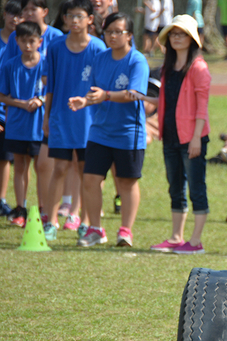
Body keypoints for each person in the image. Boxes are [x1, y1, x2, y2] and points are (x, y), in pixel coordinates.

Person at [68, 12, 149, 247]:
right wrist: (84, 101)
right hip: (100, 131)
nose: (112, 36)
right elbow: (95, 91)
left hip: (128, 132)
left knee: (126, 183)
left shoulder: (137, 61)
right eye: (108, 32)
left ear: (130, 35)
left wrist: (107, 96)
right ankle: (95, 229)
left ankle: (125, 231)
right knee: (91, 179)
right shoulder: (101, 58)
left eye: (118, 32)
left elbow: (134, 94)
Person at [145, 15, 211, 254]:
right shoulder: (167, 68)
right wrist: (143, 98)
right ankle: (175, 237)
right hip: (170, 136)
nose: (176, 38)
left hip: (192, 138)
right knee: (175, 186)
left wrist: (195, 138)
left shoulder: (199, 67)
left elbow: (202, 107)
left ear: (192, 38)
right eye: (173, 33)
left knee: (196, 187)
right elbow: (167, 100)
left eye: (182, 33)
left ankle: (195, 242)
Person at [42, 0, 106, 241]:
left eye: (80, 16)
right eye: (70, 16)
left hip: (89, 120)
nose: (75, 21)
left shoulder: (98, 48)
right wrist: (47, 116)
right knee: (59, 169)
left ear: (90, 19)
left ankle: (87, 222)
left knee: (86, 171)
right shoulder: (56, 47)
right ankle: (51, 221)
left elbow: (102, 88)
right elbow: (51, 86)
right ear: (65, 19)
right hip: (60, 117)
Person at [0, 22, 45, 227]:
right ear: (16, 41)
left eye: (32, 41)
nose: (28, 45)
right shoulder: (9, 66)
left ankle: (43, 209)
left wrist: (40, 100)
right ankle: (21, 208)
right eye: (23, 41)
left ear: (40, 42)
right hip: (17, 125)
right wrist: (20, 103)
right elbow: (2, 95)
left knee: (41, 167)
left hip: (39, 126)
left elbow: (51, 91)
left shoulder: (45, 64)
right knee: (19, 165)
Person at [0, 0, 23, 217]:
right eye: (11, 14)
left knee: (5, 157)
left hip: (11, 111)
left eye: (19, 15)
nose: (14, 19)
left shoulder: (25, 41)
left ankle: (2, 199)